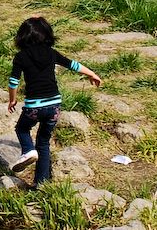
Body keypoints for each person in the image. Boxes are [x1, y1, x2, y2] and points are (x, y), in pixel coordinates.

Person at [7, 17, 102, 184]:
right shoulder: (52, 53)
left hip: (34, 107)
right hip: (54, 105)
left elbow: (13, 82)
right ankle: (41, 184)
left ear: (23, 36)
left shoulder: (21, 57)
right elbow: (73, 65)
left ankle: (28, 151)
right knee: (43, 142)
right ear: (47, 35)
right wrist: (92, 74)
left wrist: (12, 100)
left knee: (22, 129)